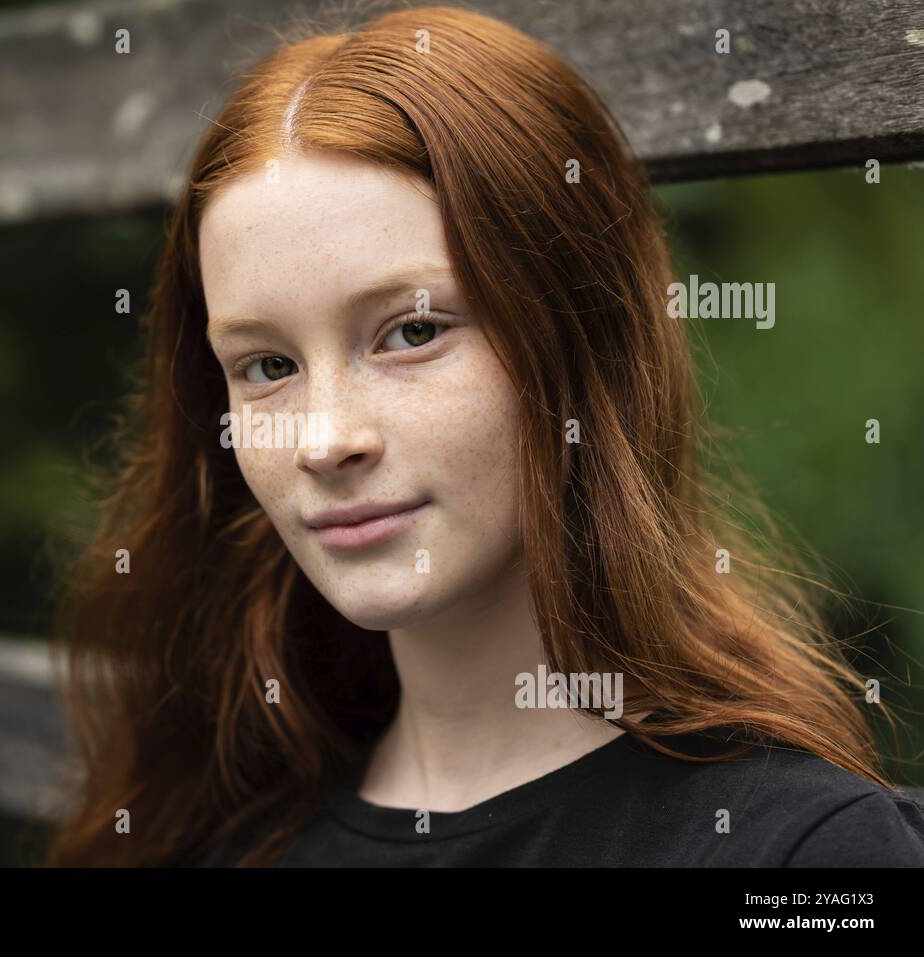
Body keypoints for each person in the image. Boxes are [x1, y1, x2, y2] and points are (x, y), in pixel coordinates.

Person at [45, 4, 924, 866]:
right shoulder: (213, 826)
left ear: (585, 344)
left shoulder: (797, 850)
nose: (325, 439)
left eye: (413, 332)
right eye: (268, 366)